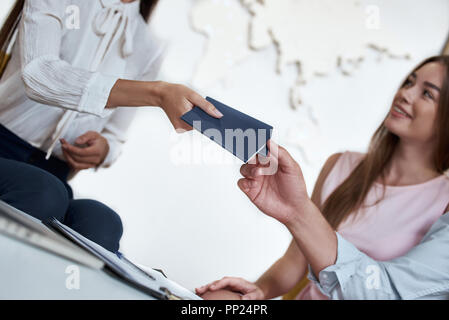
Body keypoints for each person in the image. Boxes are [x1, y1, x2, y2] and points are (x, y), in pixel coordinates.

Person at [196, 55, 449, 300]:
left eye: (427, 93)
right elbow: (295, 260)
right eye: (409, 82)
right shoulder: (342, 165)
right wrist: (258, 291)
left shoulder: (443, 204)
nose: (405, 94)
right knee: (214, 298)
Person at [0, 0, 223, 252]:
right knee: (41, 191)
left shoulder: (147, 47)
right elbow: (40, 75)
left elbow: (116, 136)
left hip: (55, 172)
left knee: (102, 223)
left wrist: (105, 150)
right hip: (6, 150)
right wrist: (157, 93)